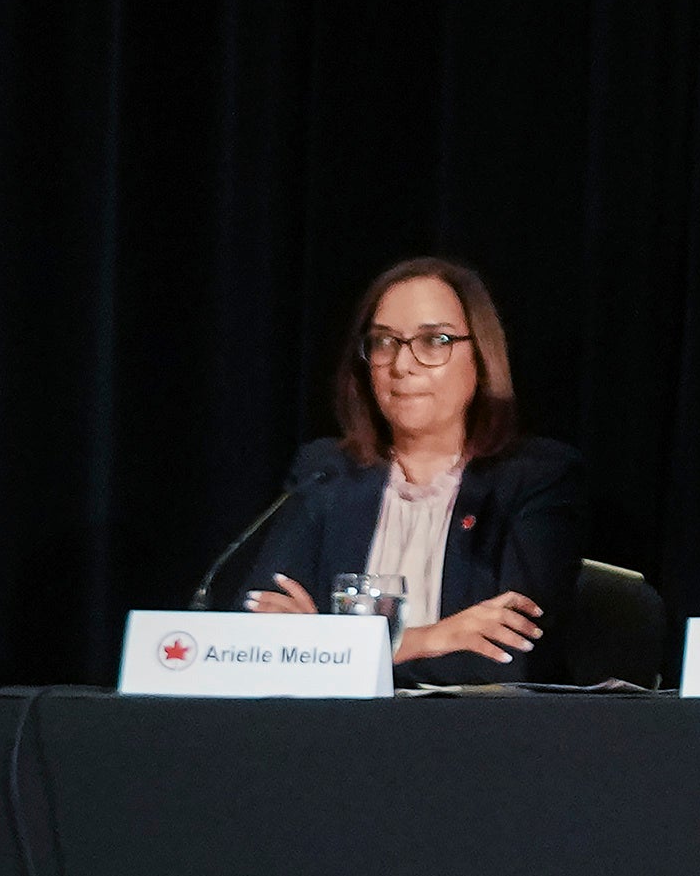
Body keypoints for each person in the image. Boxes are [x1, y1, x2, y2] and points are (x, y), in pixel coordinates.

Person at [235, 257, 587, 684]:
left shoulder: (535, 478)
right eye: (384, 342)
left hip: (479, 738)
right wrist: (431, 638)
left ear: (480, 355)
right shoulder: (326, 473)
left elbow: (512, 656)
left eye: (434, 340)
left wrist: (327, 646)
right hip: (330, 734)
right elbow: (257, 637)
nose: (402, 365)